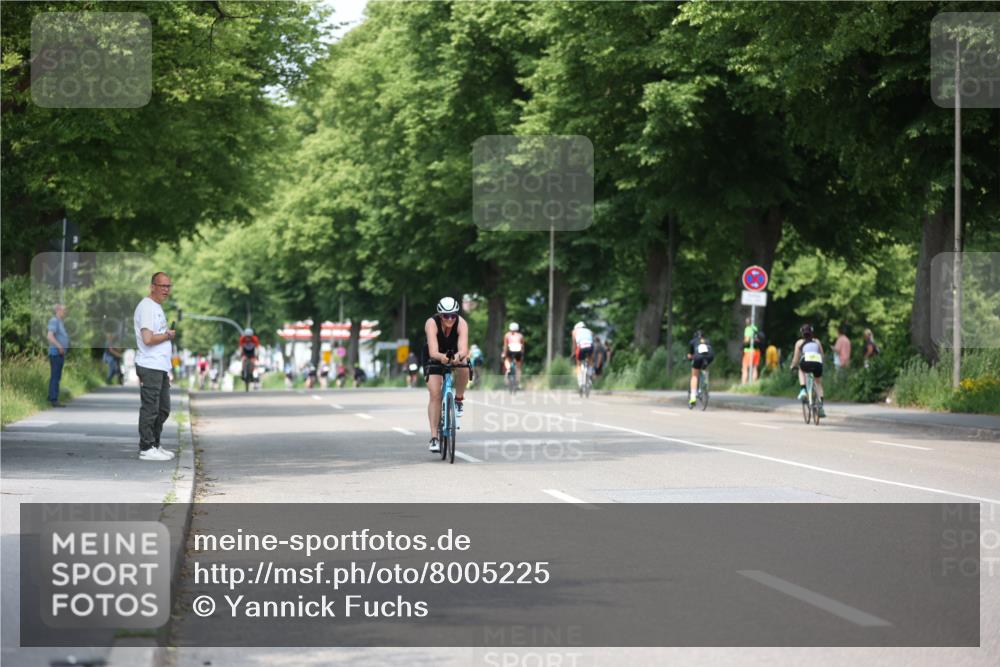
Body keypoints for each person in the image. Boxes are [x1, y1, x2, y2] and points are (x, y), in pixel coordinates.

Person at [134, 272, 176, 461]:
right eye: (162, 286)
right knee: (151, 408)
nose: (166, 290)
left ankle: (155, 444)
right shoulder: (147, 307)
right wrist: (168, 335)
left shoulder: (156, 307)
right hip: (149, 365)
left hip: (160, 366)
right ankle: (146, 447)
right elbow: (148, 339)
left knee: (163, 408)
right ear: (152, 286)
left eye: (168, 286)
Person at [423, 296, 469, 454]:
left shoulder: (461, 323)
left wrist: (458, 357)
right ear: (439, 315)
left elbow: (463, 348)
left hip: (454, 351)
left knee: (465, 364)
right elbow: (433, 351)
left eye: (453, 316)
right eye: (446, 316)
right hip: (434, 355)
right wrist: (441, 358)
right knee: (435, 394)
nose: (449, 319)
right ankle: (434, 437)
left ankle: (458, 399)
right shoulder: (431, 323)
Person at [790, 323, 826, 418]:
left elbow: (796, 359)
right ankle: (821, 406)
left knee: (801, 369)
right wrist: (821, 364)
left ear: (802, 333)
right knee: (818, 383)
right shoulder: (817, 341)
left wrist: (792, 366)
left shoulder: (799, 343)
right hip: (817, 362)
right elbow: (822, 355)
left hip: (806, 362)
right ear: (812, 332)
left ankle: (803, 390)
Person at [46, 304, 69, 407]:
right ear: (58, 310)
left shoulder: (60, 322)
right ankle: (53, 399)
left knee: (57, 376)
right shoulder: (54, 321)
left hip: (59, 354)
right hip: (55, 353)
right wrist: (59, 346)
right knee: (55, 376)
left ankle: (53, 397)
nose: (65, 312)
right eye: (64, 310)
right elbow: (50, 336)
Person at [686, 330, 715, 405]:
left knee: (694, 375)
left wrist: (689, 357)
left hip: (698, 357)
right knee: (705, 366)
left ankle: (692, 397)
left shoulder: (693, 341)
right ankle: (705, 381)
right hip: (709, 357)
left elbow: (690, 355)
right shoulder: (708, 340)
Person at [502, 322, 525, 387]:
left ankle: (508, 371)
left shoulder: (507, 335)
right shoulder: (520, 336)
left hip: (510, 351)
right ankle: (518, 382)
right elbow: (523, 347)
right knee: (518, 368)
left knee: (507, 361)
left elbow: (505, 346)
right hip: (518, 351)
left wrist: (504, 354)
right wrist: (522, 355)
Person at [741, 317, 760, 384]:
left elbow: (747, 340)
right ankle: (754, 384)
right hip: (757, 351)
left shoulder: (747, 329)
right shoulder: (755, 328)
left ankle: (743, 385)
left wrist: (742, 344)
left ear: (747, 322)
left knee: (745, 368)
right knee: (755, 368)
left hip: (749, 351)